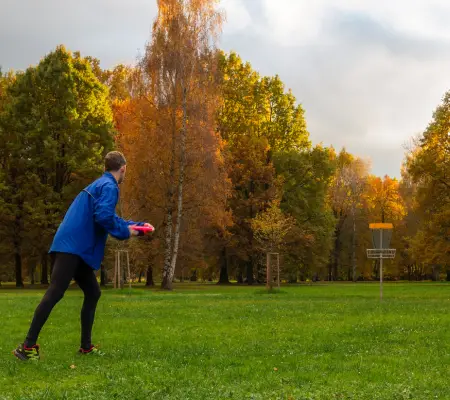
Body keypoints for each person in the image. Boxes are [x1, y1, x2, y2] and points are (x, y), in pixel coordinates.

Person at [13, 151, 152, 361]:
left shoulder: (100, 184)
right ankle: (27, 347)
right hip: (73, 247)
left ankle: (86, 347)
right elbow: (104, 216)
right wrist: (127, 233)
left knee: (93, 292)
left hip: (73, 245)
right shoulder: (110, 187)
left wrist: (137, 226)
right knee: (55, 292)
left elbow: (109, 216)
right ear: (123, 168)